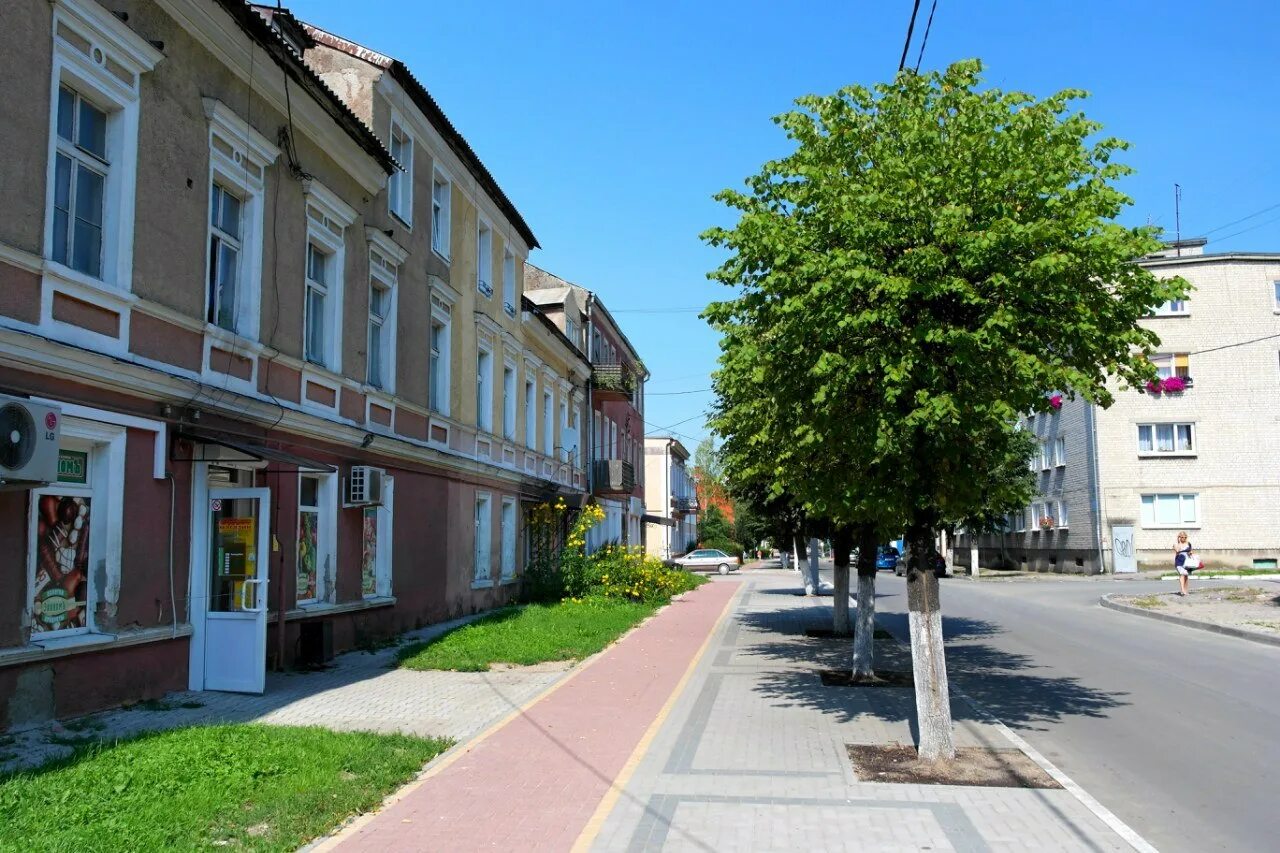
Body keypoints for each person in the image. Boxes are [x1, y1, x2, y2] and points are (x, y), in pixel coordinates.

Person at [1173, 531, 1194, 596]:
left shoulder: (1189, 543)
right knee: (1182, 574)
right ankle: (1182, 590)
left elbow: (1191, 551)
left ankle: (1185, 590)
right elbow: (1177, 550)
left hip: (1187, 561)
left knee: (1186, 576)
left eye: (1185, 537)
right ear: (1179, 537)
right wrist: (1178, 541)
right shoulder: (1176, 544)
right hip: (1179, 561)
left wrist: (1190, 553)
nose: (1183, 538)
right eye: (1182, 537)